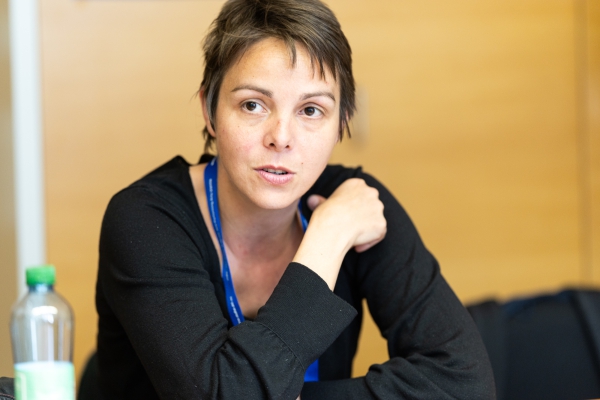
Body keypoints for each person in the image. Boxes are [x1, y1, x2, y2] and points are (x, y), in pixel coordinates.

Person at [95, 0, 496, 398]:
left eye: (311, 110)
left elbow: (466, 385)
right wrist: (327, 238)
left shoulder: (355, 205)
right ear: (210, 110)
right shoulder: (143, 221)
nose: (282, 137)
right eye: (253, 105)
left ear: (342, 122)